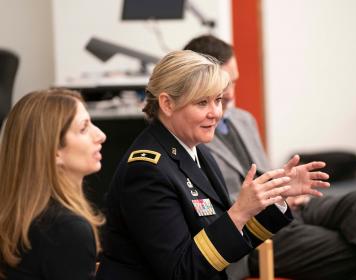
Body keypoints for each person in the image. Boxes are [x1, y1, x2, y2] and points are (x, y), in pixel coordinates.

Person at [184, 34, 356, 280]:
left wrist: (286, 187)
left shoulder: (243, 119)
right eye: (224, 84)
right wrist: (270, 200)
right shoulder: (194, 133)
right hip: (255, 233)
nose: (230, 94)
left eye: (234, 83)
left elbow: (265, 172)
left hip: (289, 208)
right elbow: (209, 210)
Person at [96, 50, 330, 280]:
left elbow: (227, 240)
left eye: (217, 100)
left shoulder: (199, 153)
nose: (215, 113)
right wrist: (239, 211)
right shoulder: (147, 170)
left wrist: (275, 195)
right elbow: (181, 270)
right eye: (202, 103)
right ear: (167, 104)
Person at [0, 89, 106, 279]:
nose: (100, 135)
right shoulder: (67, 230)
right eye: (84, 129)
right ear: (54, 151)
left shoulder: (19, 217)